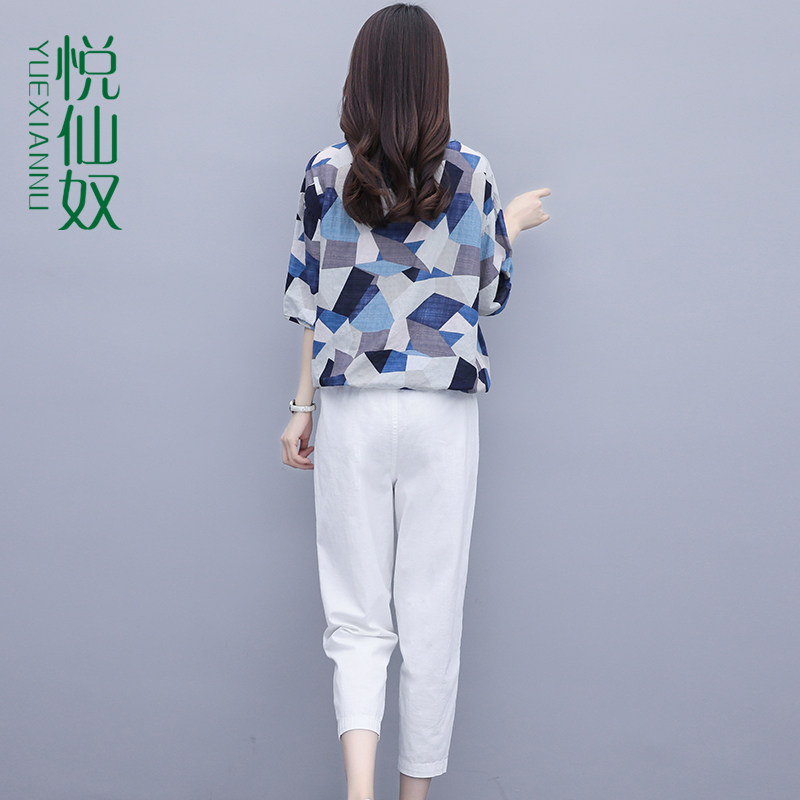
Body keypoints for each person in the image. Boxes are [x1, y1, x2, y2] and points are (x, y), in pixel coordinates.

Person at [280, 4, 550, 799]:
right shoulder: (472, 172)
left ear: (360, 76)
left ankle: (358, 794)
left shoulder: (325, 171)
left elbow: (312, 301)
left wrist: (300, 410)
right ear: (435, 79)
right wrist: (510, 224)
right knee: (432, 616)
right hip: (440, 413)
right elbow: (486, 295)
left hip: (353, 410)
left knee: (356, 616)